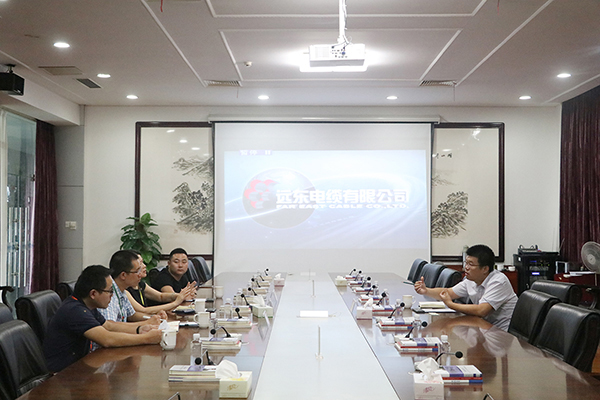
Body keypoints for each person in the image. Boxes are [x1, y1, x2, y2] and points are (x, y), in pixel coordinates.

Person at [43, 265, 162, 373]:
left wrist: (140, 329)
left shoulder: (86, 305)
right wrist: (146, 338)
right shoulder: (75, 311)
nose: (112, 295)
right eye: (110, 291)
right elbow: (107, 339)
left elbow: (109, 326)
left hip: (79, 367)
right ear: (93, 294)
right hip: (63, 375)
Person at [414, 244, 517, 331]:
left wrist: (451, 304)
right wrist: (426, 291)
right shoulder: (471, 280)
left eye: (471, 264)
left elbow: (481, 310)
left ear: (485, 269)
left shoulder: (498, 282)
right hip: (483, 328)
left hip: (502, 334)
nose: (466, 267)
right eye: (466, 263)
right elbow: (448, 292)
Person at [98, 250, 166, 324]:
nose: (140, 275)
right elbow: (111, 326)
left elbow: (132, 315)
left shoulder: (122, 291)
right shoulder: (109, 294)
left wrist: (154, 317)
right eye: (137, 271)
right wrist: (145, 324)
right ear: (123, 275)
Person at [125, 251, 195, 314]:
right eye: (140, 263)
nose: (144, 266)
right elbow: (142, 311)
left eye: (143, 262)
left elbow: (160, 296)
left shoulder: (141, 284)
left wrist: (180, 295)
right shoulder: (124, 290)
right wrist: (177, 301)